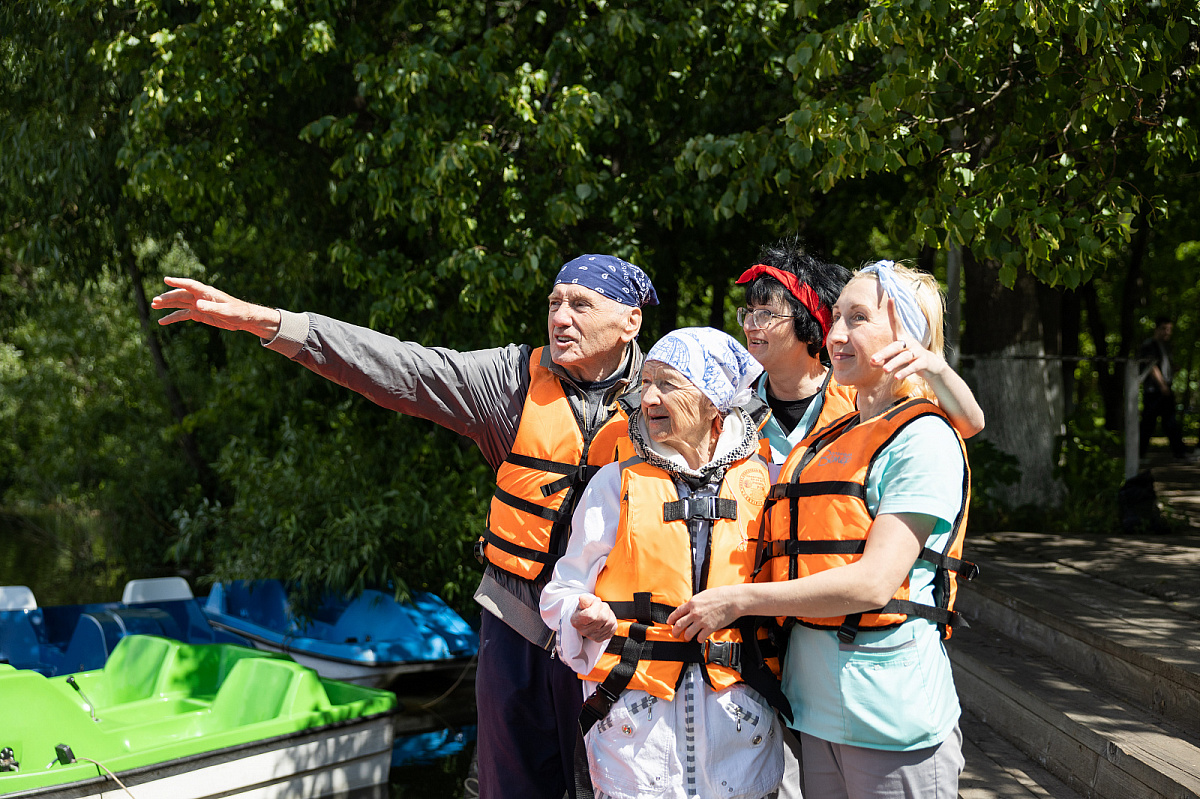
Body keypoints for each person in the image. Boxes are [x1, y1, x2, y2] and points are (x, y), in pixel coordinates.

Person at [150, 254, 659, 799]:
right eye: (555, 303)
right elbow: (401, 368)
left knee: (609, 787)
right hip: (518, 626)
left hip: (615, 630)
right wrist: (267, 322)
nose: (561, 318)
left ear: (630, 322)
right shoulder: (509, 383)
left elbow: (742, 456)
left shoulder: (668, 393)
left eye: (582, 305)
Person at [670, 261, 973, 799]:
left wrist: (738, 600)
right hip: (812, 705)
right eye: (835, 317)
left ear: (907, 334)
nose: (834, 335)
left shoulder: (923, 438)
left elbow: (874, 584)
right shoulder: (833, 435)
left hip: (890, 713)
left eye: (857, 318)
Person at [540, 328, 787, 799]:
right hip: (638, 727)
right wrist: (581, 614)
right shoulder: (615, 484)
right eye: (646, 380)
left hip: (740, 722)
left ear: (715, 403)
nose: (647, 395)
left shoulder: (766, 484)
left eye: (668, 383)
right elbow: (563, 590)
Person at [736, 239, 984, 463]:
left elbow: (971, 424)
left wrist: (934, 366)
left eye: (765, 314)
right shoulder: (732, 401)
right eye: (748, 313)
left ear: (808, 324)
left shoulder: (864, 395)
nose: (749, 326)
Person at [1138, 316, 1187, 459]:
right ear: (1157, 328)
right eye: (1165, 329)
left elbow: (1162, 366)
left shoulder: (1165, 346)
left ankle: (1180, 452)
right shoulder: (1150, 345)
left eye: (1170, 329)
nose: (1167, 332)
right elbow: (1151, 367)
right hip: (1155, 390)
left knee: (1170, 421)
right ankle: (1139, 454)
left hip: (1164, 388)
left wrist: (1173, 369)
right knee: (1149, 422)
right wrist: (1162, 385)